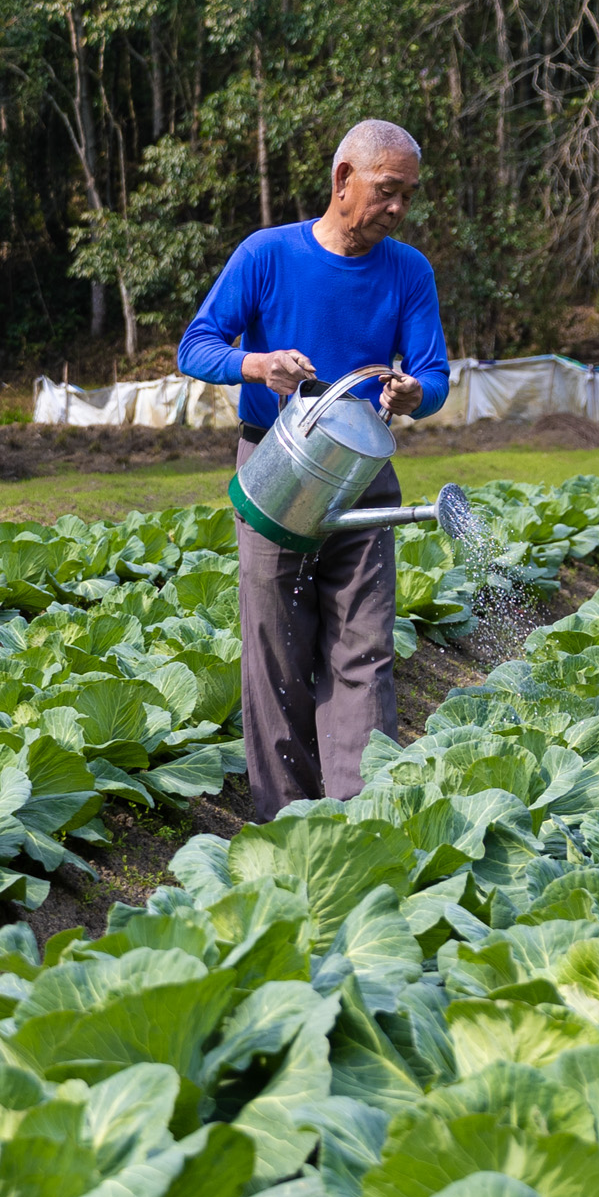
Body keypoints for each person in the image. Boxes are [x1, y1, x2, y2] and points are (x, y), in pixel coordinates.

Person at [175, 119, 454, 819]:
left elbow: (434, 374)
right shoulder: (267, 254)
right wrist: (257, 364)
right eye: (387, 190)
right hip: (278, 469)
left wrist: (415, 393)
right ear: (342, 179)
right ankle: (285, 820)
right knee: (276, 652)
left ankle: (359, 814)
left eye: (408, 195)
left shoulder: (409, 271)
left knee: (365, 648)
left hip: (362, 476)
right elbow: (195, 346)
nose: (398, 207)